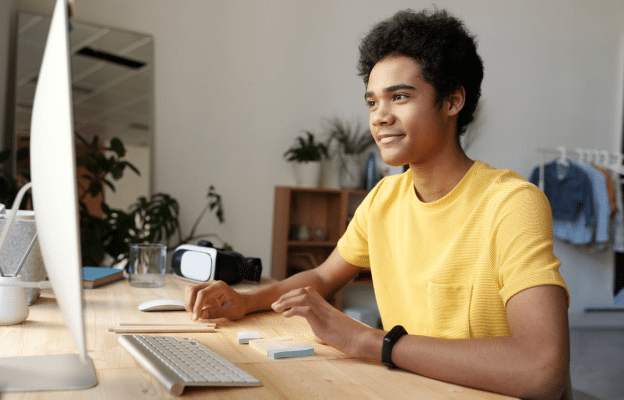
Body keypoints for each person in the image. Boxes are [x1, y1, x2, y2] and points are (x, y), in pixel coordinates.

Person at [185, 9, 571, 400]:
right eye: (372, 102)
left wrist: (370, 342)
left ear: (453, 101)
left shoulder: (511, 203)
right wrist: (245, 301)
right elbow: (322, 278)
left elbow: (541, 368)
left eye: (399, 97)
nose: (380, 117)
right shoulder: (384, 199)